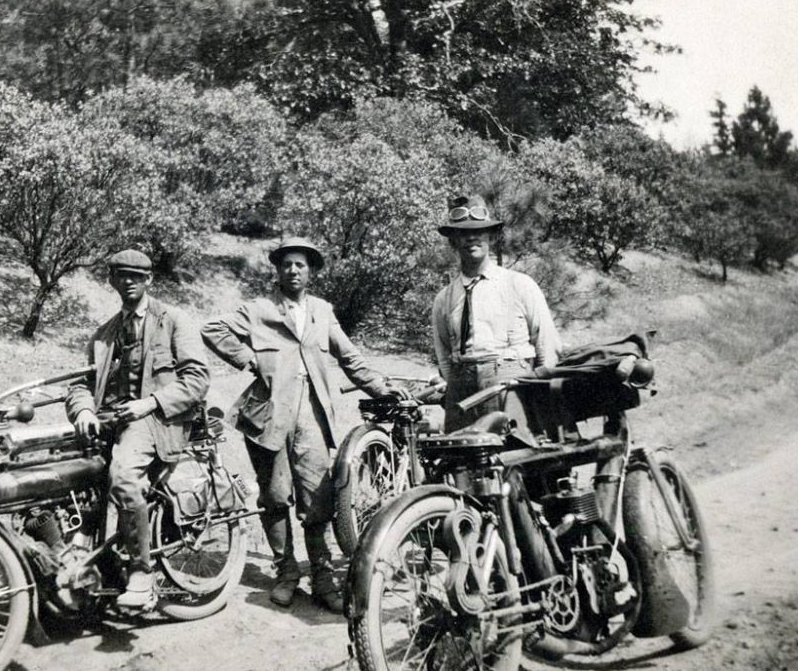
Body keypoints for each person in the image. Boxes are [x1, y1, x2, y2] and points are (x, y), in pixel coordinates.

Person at [201, 237, 407, 613]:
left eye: (301, 265)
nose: (293, 270)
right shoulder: (258, 308)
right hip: (266, 414)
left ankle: (323, 577)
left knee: (318, 497)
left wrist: (381, 387)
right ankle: (285, 573)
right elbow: (212, 329)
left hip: (311, 414)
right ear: (277, 271)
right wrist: (249, 359)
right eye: (287, 264)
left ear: (311, 272)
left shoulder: (323, 312)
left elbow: (351, 358)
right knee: (275, 496)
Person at [66, 249, 210, 608]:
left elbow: (197, 379)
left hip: (158, 419)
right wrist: (83, 410)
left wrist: (150, 402)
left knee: (124, 476)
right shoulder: (105, 335)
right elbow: (79, 384)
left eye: (136, 275)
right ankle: (77, 552)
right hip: (111, 420)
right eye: (120, 275)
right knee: (64, 472)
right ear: (111, 281)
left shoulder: (175, 321)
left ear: (149, 280)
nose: (128, 281)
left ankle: (141, 573)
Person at [432, 194, 562, 432]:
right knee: (458, 461)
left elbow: (547, 345)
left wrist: (542, 393)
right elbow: (445, 359)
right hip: (462, 393)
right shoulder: (444, 299)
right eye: (462, 233)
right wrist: (456, 387)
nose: (471, 237)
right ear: (453, 242)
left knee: (515, 459)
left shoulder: (520, 285)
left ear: (490, 236)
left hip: (511, 386)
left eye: (479, 231)